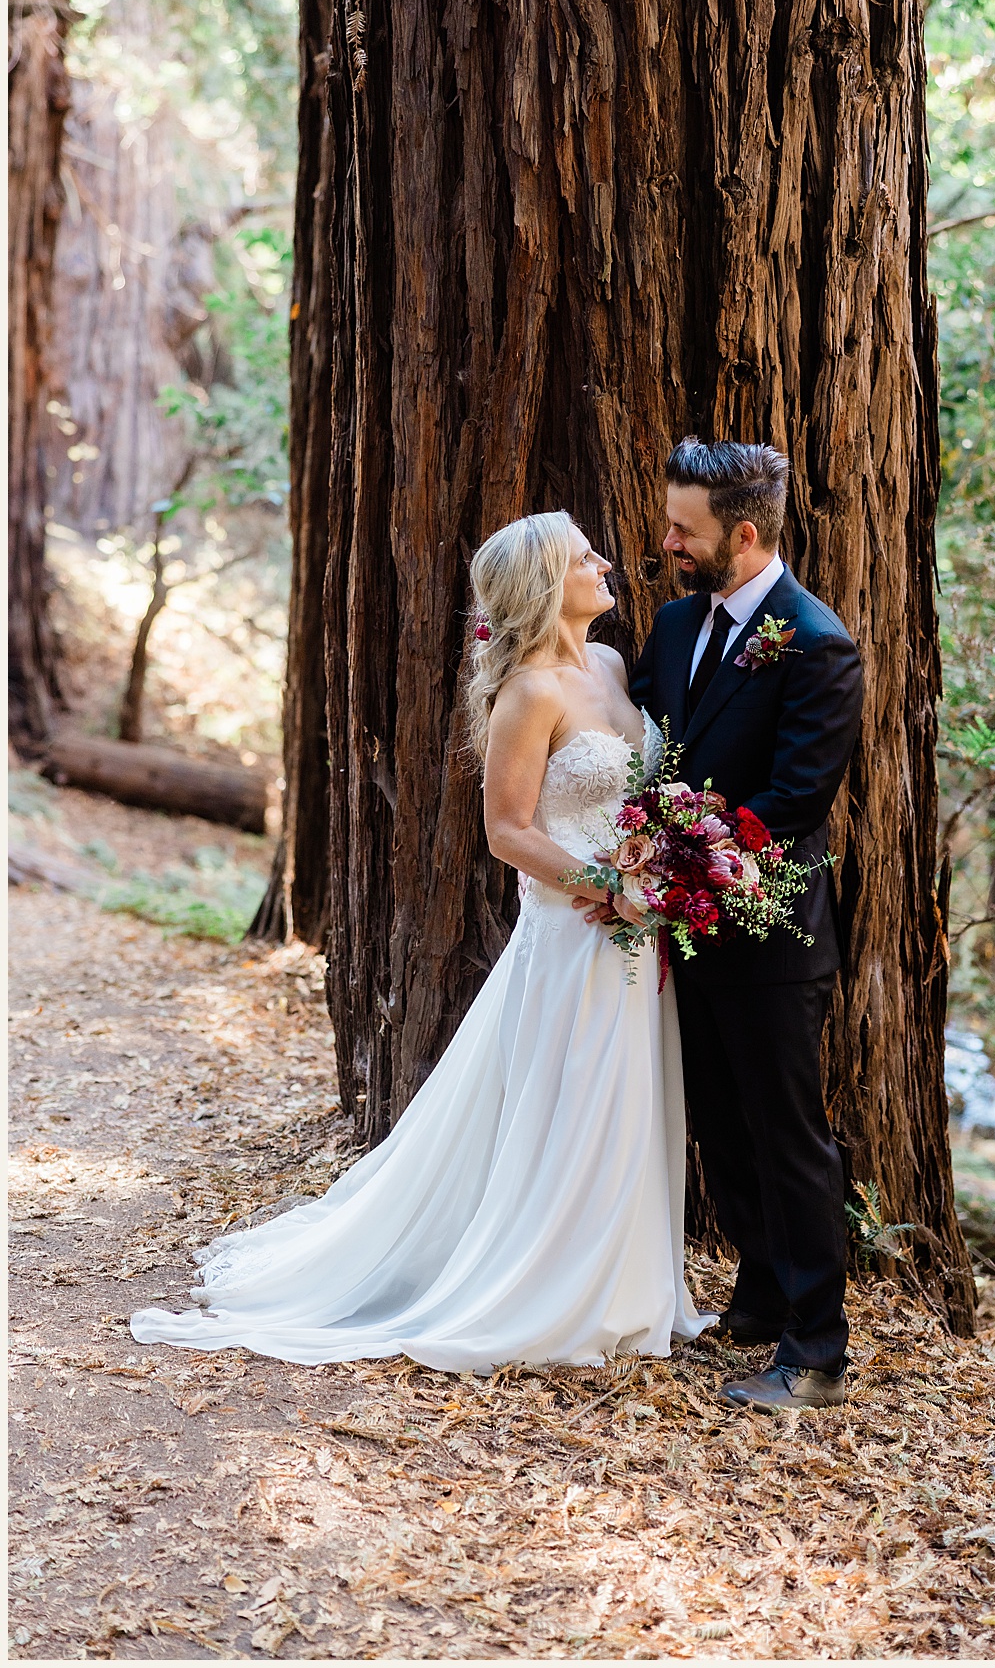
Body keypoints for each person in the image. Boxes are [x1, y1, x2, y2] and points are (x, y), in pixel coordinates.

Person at [132, 512, 712, 1370]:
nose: (604, 561)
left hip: (636, 934)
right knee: (571, 1103)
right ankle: (549, 1286)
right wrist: (608, 888)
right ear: (547, 582)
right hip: (572, 934)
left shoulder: (614, 665)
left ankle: (626, 1286)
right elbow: (508, 832)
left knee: (624, 1103)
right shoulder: (528, 693)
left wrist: (657, 866)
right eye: (583, 554)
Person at [625, 438, 863, 1412]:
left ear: (745, 534)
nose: (669, 542)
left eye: (685, 529)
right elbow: (642, 738)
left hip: (772, 940)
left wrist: (680, 840)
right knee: (721, 1131)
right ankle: (760, 1299)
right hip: (689, 931)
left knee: (787, 1136)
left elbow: (795, 798)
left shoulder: (816, 643)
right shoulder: (677, 625)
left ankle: (818, 1351)